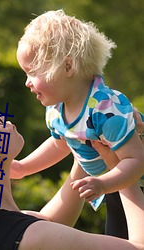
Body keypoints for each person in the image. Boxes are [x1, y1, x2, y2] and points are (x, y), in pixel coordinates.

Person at [0, 98, 144, 250]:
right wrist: (120, 166)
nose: (1, 117)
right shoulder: (31, 238)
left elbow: (50, 221)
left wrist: (84, 138)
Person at [13, 9, 144, 238]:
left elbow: (136, 160)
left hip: (133, 185)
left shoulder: (105, 109)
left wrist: (103, 184)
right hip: (114, 188)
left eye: (32, 72)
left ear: (67, 67)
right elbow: (60, 145)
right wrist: (24, 167)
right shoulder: (56, 110)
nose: (27, 82)